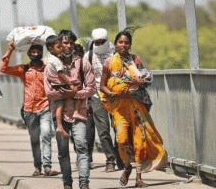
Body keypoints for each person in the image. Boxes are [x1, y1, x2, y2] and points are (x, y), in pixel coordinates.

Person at [99, 28, 168, 187]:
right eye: (120, 42)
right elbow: (102, 86)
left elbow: (145, 80)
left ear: (130, 45)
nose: (123, 45)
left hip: (136, 105)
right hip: (119, 108)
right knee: (122, 139)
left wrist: (140, 82)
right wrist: (114, 93)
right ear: (115, 44)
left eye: (126, 42)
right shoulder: (108, 62)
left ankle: (139, 178)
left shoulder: (135, 60)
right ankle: (127, 167)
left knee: (140, 139)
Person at [44, 29, 96, 189]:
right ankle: (67, 183)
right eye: (65, 43)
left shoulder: (82, 63)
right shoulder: (51, 65)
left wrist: (76, 93)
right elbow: (49, 92)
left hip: (78, 112)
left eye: (71, 43)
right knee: (63, 151)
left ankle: (84, 182)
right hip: (59, 114)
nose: (68, 46)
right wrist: (66, 94)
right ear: (59, 44)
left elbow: (92, 87)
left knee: (81, 146)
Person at [0, 41, 59, 177]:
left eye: (38, 51)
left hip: (45, 107)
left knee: (46, 134)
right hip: (29, 110)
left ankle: (47, 167)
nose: (36, 53)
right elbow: (3, 69)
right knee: (34, 139)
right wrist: (9, 51)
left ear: (42, 53)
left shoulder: (47, 68)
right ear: (28, 53)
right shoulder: (24, 69)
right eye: (33, 51)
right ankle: (37, 167)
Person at [83, 28, 124, 172]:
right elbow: (85, 79)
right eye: (97, 42)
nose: (99, 45)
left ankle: (121, 157)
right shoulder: (88, 56)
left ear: (107, 40)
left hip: (115, 96)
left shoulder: (115, 54)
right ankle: (110, 160)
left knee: (119, 128)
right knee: (103, 130)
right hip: (96, 97)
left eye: (102, 42)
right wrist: (87, 100)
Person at [45, 35, 85, 138]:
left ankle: (71, 115)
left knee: (61, 104)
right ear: (51, 48)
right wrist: (70, 84)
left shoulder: (50, 58)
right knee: (62, 104)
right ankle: (59, 126)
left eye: (71, 43)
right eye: (60, 46)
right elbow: (61, 75)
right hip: (59, 85)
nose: (63, 48)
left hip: (57, 84)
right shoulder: (56, 60)